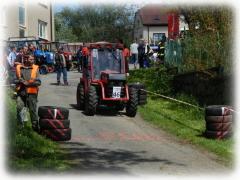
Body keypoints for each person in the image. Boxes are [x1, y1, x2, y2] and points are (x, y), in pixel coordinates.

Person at [15, 54, 41, 131]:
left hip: (32, 93)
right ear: (25, 59)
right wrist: (21, 81)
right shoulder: (19, 67)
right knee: (20, 108)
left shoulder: (35, 68)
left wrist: (28, 83)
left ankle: (35, 127)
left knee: (32, 110)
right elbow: (14, 80)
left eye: (33, 59)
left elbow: (38, 82)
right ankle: (21, 126)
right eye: (31, 59)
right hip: (21, 92)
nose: (33, 61)